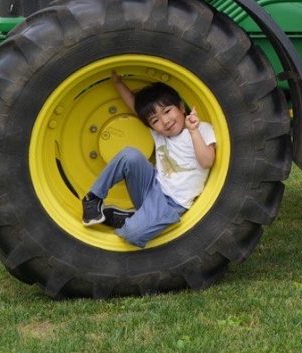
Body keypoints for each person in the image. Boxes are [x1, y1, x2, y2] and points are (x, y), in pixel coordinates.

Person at [80, 72, 218, 248]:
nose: (165, 121)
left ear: (181, 107)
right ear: (151, 125)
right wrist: (117, 82)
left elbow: (207, 161)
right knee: (130, 155)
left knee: (131, 235)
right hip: (150, 186)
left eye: (167, 111)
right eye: (155, 120)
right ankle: (93, 199)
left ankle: (131, 219)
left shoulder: (201, 129)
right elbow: (133, 104)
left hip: (171, 203)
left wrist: (193, 131)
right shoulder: (160, 134)